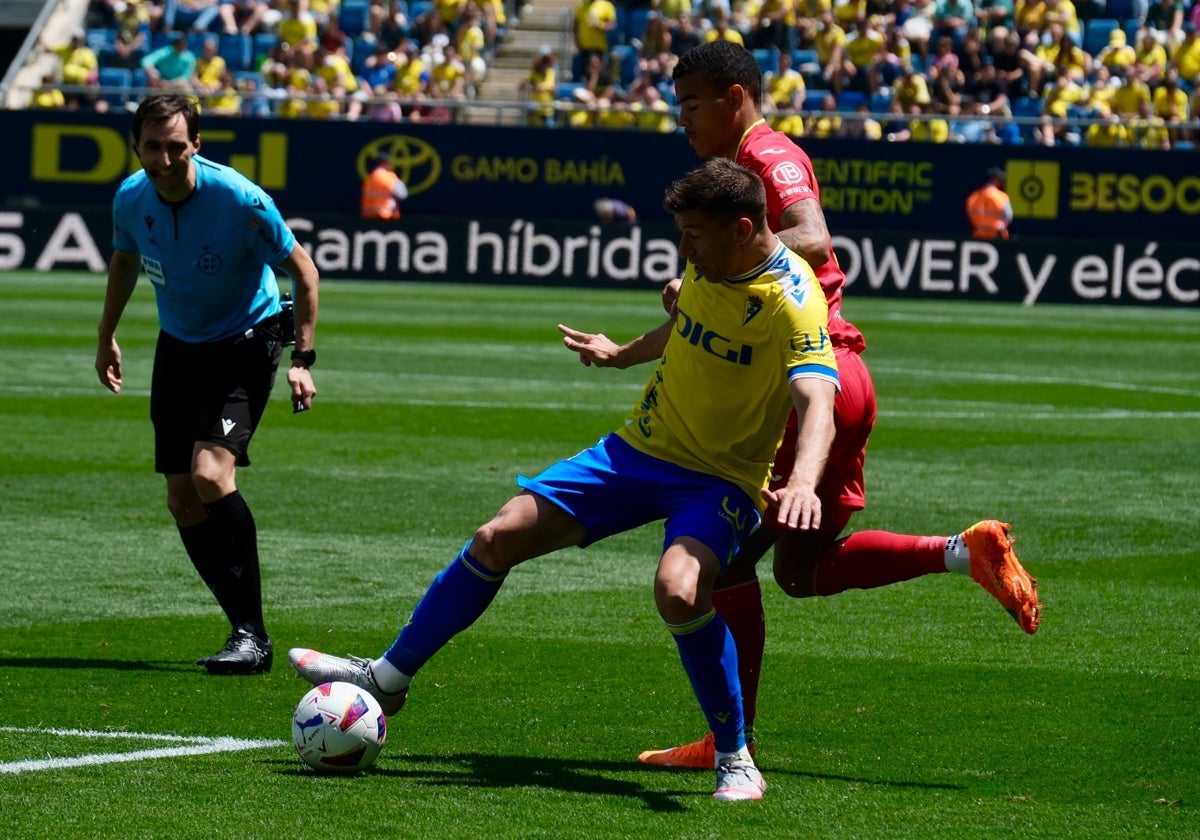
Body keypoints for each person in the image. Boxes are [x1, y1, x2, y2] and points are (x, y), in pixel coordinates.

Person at [289, 157, 842, 803]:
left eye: (693, 234)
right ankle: (388, 676)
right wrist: (623, 352)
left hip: (719, 480)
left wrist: (803, 480)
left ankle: (735, 758)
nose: (682, 247)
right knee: (497, 535)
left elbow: (817, 398)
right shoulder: (710, 259)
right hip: (639, 450)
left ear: (744, 228)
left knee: (679, 588)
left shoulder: (792, 301)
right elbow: (689, 324)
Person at [559, 40, 1041, 770]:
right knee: (800, 571)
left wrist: (715, 274)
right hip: (844, 379)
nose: (681, 119)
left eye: (691, 105)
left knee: (717, 569)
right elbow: (712, 313)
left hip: (802, 384)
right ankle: (960, 552)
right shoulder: (741, 175)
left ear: (732, 99)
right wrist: (624, 351)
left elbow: (814, 238)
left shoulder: (769, 154)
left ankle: (732, 745)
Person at [95, 93, 320, 675]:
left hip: (247, 340)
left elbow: (303, 270)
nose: (164, 159)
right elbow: (124, 260)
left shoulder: (239, 199)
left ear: (196, 144)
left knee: (209, 474)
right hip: (179, 347)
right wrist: (106, 335)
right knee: (180, 497)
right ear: (136, 146)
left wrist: (304, 358)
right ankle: (244, 630)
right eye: (152, 146)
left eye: (176, 146)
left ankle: (253, 633)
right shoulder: (130, 198)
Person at [966, 166, 1013, 239]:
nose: (1002, 181)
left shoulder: (974, 196)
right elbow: (1009, 216)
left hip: (978, 235)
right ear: (994, 179)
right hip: (997, 236)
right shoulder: (1002, 197)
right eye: (1000, 178)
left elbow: (970, 214)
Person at [360, 154, 409, 220]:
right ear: (384, 163)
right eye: (390, 163)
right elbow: (403, 195)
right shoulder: (390, 177)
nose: (391, 165)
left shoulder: (369, 179)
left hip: (368, 216)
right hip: (386, 216)